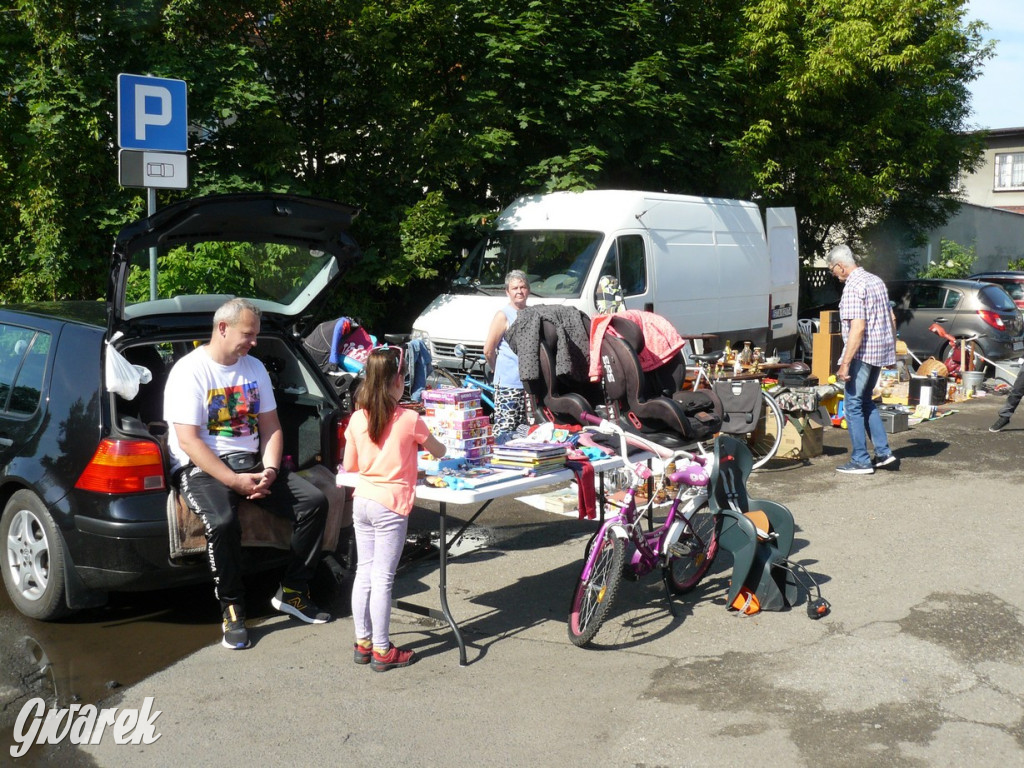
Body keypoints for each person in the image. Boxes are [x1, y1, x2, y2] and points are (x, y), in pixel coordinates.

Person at [165, 298, 331, 650]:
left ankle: (294, 591)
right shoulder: (189, 371)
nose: (254, 342)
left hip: (251, 463)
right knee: (223, 523)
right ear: (222, 328)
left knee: (315, 502)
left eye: (255, 335)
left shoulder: (253, 368)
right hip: (202, 467)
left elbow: (271, 427)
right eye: (248, 334)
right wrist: (232, 481)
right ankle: (232, 608)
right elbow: (189, 442)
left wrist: (270, 469)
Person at [344, 347, 447, 672]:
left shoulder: (358, 419)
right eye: (403, 376)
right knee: (383, 579)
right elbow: (440, 451)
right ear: (395, 382)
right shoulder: (410, 419)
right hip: (391, 505)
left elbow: (350, 465)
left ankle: (363, 642)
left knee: (365, 573)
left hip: (362, 501)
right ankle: (382, 650)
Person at [828, 244, 899, 474]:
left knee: (853, 405)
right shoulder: (876, 281)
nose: (833, 273)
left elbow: (857, 328)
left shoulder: (853, 286)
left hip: (861, 353)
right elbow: (891, 317)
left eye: (832, 269)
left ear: (840, 266)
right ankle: (883, 452)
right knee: (866, 401)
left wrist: (845, 362)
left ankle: (860, 459)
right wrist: (891, 352)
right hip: (878, 351)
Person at [484, 270, 530, 440]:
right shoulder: (503, 315)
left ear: (528, 290)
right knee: (505, 431)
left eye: (523, 287)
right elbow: (488, 350)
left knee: (525, 432)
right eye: (515, 288)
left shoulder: (532, 313)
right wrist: (498, 371)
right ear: (507, 292)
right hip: (508, 385)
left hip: (528, 385)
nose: (519, 291)